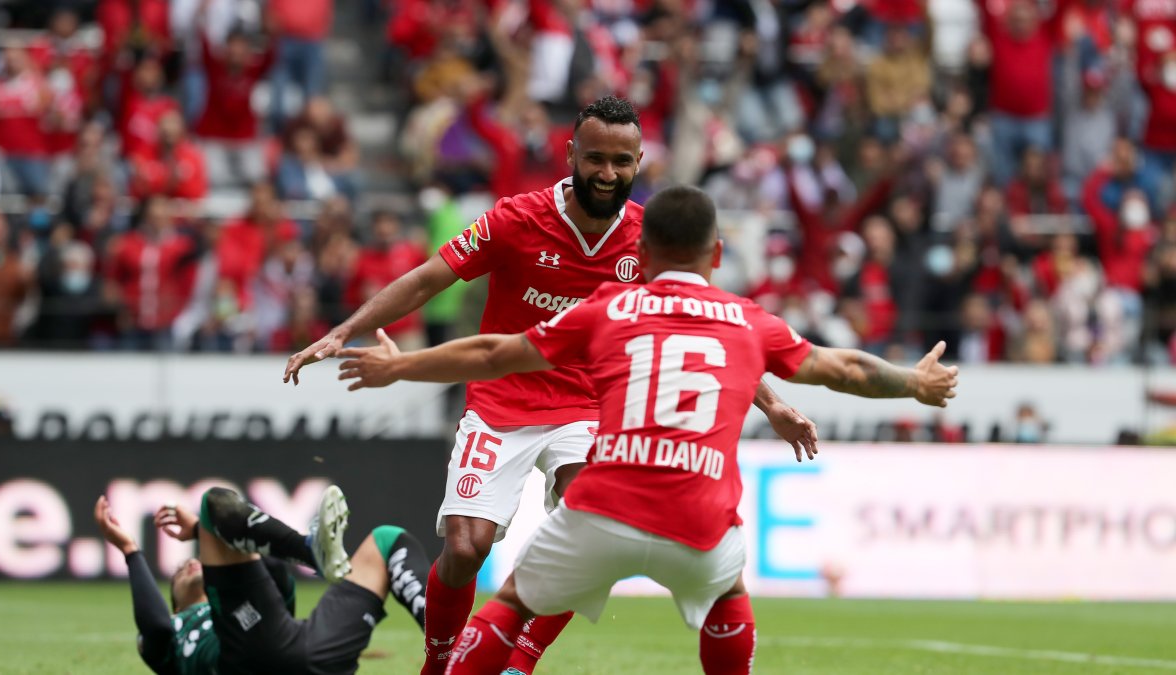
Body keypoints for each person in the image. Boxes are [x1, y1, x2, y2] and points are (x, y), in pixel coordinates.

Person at [333, 185, 959, 674]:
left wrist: (400, 366)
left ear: (644, 253)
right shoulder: (745, 318)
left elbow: (495, 352)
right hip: (699, 518)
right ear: (717, 255)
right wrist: (913, 382)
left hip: (607, 510)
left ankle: (502, 666)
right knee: (728, 592)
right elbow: (844, 367)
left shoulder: (609, 310)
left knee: (515, 600)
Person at [283, 97, 811, 675]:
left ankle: (520, 664)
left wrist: (773, 404)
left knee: (591, 530)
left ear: (638, 163)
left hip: (591, 406)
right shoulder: (517, 219)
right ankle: (439, 664)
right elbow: (429, 278)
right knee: (465, 548)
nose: (607, 173)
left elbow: (703, 323)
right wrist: (344, 330)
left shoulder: (647, 239)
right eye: (595, 159)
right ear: (570, 155)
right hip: (501, 400)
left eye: (621, 162)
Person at [94, 484, 433, 674]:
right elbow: (155, 627)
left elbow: (275, 572)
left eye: (196, 559)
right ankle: (312, 551)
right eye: (180, 570)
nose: (191, 563)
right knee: (213, 501)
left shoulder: (240, 596)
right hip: (244, 662)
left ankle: (450, 651)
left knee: (387, 541)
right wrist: (131, 551)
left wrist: (201, 531)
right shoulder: (171, 635)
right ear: (174, 604)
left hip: (309, 650)